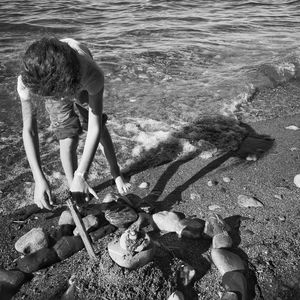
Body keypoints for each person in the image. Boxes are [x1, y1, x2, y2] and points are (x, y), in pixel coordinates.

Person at [17, 37, 131, 210]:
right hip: (52, 83)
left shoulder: (92, 74)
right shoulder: (29, 81)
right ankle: (74, 187)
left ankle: (115, 172)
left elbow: (95, 127)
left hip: (78, 83)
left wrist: (82, 173)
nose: (63, 99)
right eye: (57, 96)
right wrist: (38, 178)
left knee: (98, 123)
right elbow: (29, 130)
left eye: (63, 95)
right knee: (67, 137)